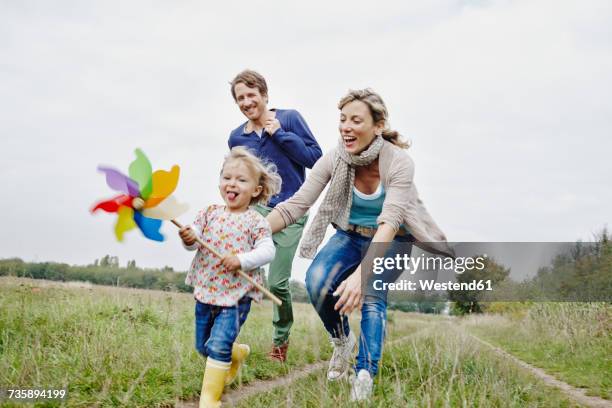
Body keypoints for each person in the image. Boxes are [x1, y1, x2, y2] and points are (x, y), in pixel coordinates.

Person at [266, 89, 452, 401]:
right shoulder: (336, 157)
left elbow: (390, 221)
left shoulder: (399, 163)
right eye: (342, 120)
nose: (346, 127)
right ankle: (342, 341)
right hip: (350, 235)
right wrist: (249, 230)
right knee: (316, 281)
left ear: (378, 126)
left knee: (372, 293)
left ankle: (364, 376)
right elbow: (296, 205)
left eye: (356, 120)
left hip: (393, 238)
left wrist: (360, 276)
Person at [228, 69, 322, 361]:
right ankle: (225, 339)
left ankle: (280, 343)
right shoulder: (236, 138)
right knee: (234, 270)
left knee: (277, 282)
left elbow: (315, 159)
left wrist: (279, 134)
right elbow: (238, 178)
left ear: (264, 95)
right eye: (240, 98)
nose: (246, 102)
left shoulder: (290, 118)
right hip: (255, 211)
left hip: (292, 210)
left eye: (251, 95)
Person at [179, 147, 281, 407]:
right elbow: (193, 243)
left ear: (256, 190)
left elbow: (268, 250)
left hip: (237, 295)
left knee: (218, 345)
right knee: (203, 347)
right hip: (206, 289)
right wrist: (188, 238)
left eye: (241, 179)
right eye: (227, 177)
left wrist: (241, 260)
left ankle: (209, 400)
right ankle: (237, 353)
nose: (231, 184)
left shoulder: (256, 221)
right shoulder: (208, 213)